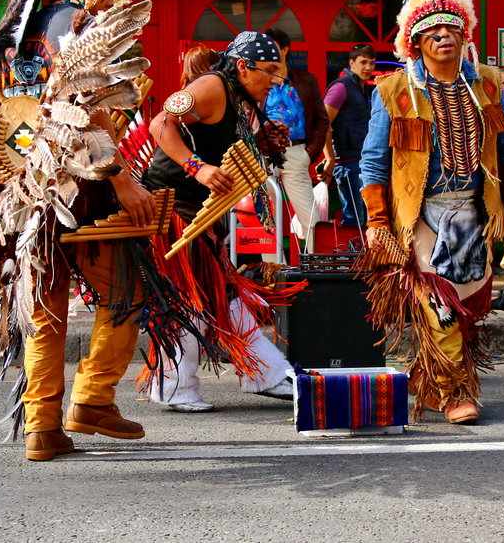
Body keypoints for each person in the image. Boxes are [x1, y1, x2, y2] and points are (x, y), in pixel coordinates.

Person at [0, 0, 165, 461]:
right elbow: (88, 108)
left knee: (45, 303)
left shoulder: (23, 33)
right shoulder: (74, 25)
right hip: (83, 184)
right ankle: (91, 398)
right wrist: (125, 181)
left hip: (28, 188)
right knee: (126, 292)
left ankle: (42, 426)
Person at [359, 0, 504, 424]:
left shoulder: (489, 85)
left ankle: (428, 377)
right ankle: (455, 392)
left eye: (452, 28)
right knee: (439, 306)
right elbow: (374, 162)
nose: (444, 36)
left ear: (465, 35)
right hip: (420, 216)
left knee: (468, 308)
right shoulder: (393, 90)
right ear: (415, 42)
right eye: (432, 31)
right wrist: (377, 221)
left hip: (475, 212)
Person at [141, 30, 302, 412]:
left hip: (197, 211)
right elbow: (161, 123)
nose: (274, 83)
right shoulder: (212, 86)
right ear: (244, 67)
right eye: (270, 73)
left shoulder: (239, 97)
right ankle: (176, 386)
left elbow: (220, 146)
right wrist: (196, 168)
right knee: (188, 295)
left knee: (218, 291)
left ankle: (262, 371)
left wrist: (261, 145)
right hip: (171, 208)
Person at [261, 28, 328, 254]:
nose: (267, 52)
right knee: (265, 216)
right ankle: (271, 270)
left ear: (285, 49)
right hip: (263, 154)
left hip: (295, 152)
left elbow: (321, 119)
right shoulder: (257, 79)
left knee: (310, 215)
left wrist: (310, 153)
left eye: (273, 47)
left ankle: (314, 265)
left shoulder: (306, 80)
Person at [321, 43, 376, 231]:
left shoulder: (363, 88)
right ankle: (349, 261)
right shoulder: (341, 87)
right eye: (363, 62)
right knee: (354, 219)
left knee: (366, 220)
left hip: (361, 161)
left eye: (372, 63)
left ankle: (359, 260)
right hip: (347, 163)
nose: (368, 67)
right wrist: (329, 157)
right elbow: (323, 122)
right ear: (352, 63)